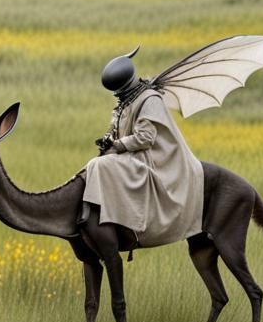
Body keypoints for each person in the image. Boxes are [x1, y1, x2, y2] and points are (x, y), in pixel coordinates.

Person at [80, 48, 204, 247]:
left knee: (99, 165)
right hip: (133, 152)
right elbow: (116, 128)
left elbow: (145, 138)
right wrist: (108, 140)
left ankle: (116, 217)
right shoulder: (125, 101)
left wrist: (118, 145)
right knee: (96, 164)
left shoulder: (149, 99)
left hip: (152, 158)